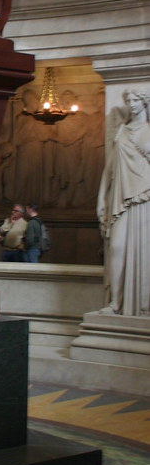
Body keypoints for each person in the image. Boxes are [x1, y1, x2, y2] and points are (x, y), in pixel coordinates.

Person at [97, 89, 150, 315]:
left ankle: (143, 304)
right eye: (128, 100)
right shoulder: (121, 130)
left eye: (136, 100)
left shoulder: (149, 131)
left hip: (145, 195)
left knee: (145, 250)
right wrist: (101, 197)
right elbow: (109, 168)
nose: (131, 104)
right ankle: (115, 303)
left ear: (145, 103)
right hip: (120, 196)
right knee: (116, 247)